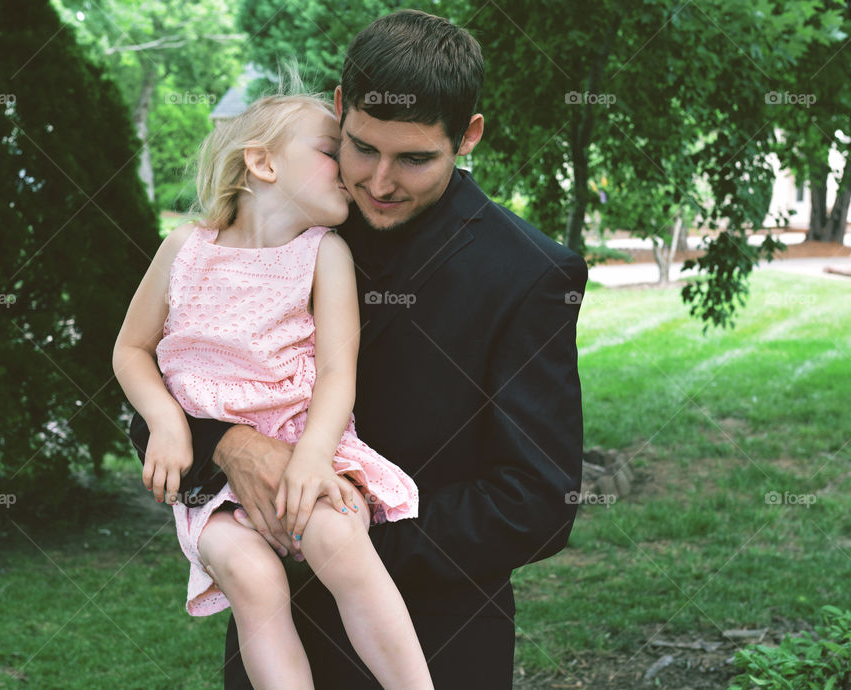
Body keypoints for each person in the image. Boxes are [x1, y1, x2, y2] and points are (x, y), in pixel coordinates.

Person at [130, 9, 588, 689]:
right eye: (362, 148)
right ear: (340, 111)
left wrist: (333, 535)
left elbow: (536, 502)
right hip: (273, 640)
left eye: (414, 159)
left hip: (435, 641)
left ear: (468, 137)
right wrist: (228, 446)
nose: (377, 182)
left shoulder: (530, 274)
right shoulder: (274, 227)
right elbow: (162, 394)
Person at [113, 93, 434, 689]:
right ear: (262, 163)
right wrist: (165, 421)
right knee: (253, 581)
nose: (350, 169)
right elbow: (130, 349)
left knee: (340, 540)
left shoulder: (324, 254)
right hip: (209, 479)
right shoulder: (186, 248)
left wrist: (312, 457)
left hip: (303, 446)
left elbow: (339, 373)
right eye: (330, 151)